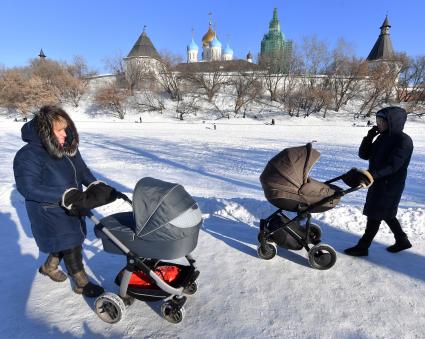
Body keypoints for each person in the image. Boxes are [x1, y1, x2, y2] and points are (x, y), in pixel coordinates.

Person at [13, 105, 117, 297]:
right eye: (59, 130)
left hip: (73, 203)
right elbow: (28, 187)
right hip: (49, 209)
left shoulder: (68, 148)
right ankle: (81, 282)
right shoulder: (28, 155)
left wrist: (95, 185)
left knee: (69, 238)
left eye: (66, 128)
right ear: (45, 132)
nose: (64, 134)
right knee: (71, 242)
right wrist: (64, 195)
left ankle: (49, 266)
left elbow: (83, 171)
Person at [344, 106, 413, 256]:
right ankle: (402, 240)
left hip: (390, 185)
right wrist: (369, 137)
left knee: (375, 214)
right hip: (376, 181)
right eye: (378, 120)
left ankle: (363, 246)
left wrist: (371, 174)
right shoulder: (382, 137)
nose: (379, 123)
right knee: (387, 213)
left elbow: (393, 166)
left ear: (393, 122)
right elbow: (364, 154)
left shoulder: (404, 141)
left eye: (382, 121)